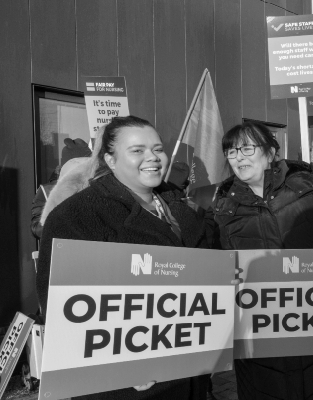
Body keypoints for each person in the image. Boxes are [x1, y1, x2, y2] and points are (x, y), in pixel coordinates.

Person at [36, 116, 209, 399]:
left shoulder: (181, 207)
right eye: (137, 150)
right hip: (124, 385)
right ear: (111, 160)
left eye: (157, 149)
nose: (152, 157)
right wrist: (121, 366)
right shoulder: (77, 214)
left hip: (187, 368)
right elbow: (63, 307)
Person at [205, 121, 313, 400]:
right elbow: (219, 270)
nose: (238, 157)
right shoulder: (222, 207)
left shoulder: (308, 190)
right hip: (260, 340)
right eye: (231, 151)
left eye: (247, 148)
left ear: (271, 153)